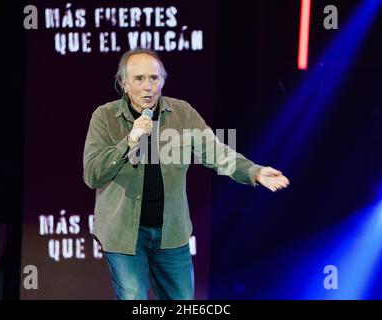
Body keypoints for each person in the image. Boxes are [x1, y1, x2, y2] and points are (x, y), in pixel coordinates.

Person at [83, 48, 289, 300]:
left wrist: (255, 172)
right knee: (134, 297)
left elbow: (216, 152)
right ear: (124, 84)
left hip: (171, 233)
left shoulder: (182, 113)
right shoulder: (104, 117)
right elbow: (92, 174)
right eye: (139, 79)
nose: (148, 86)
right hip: (123, 234)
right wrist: (130, 139)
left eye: (154, 78)